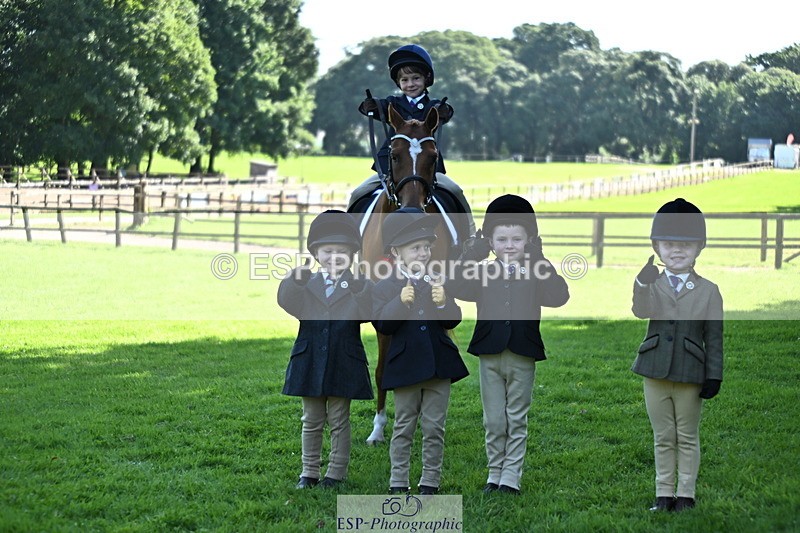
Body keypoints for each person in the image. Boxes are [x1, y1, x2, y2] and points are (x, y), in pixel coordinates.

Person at [447, 194, 570, 495]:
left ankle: (511, 477)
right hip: (490, 354)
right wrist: (471, 254)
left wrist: (540, 259)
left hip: (522, 354)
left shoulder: (536, 272)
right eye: (501, 239)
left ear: (529, 240)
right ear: (489, 242)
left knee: (516, 417)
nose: (510, 245)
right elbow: (453, 285)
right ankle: (494, 474)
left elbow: (559, 297)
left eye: (517, 239)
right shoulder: (483, 271)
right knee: (494, 419)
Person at [631, 198, 723, 512]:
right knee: (662, 436)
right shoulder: (652, 284)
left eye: (686, 244)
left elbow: (714, 337)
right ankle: (662, 495)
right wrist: (642, 282)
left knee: (686, 435)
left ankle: (685, 496)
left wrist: (714, 373)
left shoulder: (709, 291)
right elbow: (641, 311)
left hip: (690, 374)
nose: (677, 251)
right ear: (657, 247)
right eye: (669, 244)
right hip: (654, 370)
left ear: (699, 248)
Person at [372, 207, 469, 495]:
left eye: (427, 247)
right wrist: (399, 302)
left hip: (439, 367)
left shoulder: (437, 279)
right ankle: (398, 481)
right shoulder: (385, 286)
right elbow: (382, 324)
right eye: (416, 248)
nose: (424, 253)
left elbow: (453, 319)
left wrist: (444, 303)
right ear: (396, 252)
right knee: (403, 427)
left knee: (434, 428)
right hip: (404, 368)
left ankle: (430, 481)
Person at [278, 210, 374, 490]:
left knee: (340, 419)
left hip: (344, 360)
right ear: (317, 254)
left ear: (352, 255)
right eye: (328, 251)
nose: (334, 257)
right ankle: (308, 472)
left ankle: (335, 473)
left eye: (341, 252)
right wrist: (294, 281)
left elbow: (369, 311)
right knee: (311, 419)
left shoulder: (359, 284)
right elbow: (288, 302)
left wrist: (358, 290)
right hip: (310, 360)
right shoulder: (306, 282)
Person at [350, 44, 473, 238]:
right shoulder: (393, 104)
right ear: (399, 83)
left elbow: (446, 111)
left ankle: (469, 238)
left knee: (455, 191)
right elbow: (373, 108)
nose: (411, 84)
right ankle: (351, 241)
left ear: (426, 79)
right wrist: (368, 106)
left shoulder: (433, 106)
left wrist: (445, 111)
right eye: (405, 80)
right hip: (392, 167)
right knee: (358, 193)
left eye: (416, 78)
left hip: (426, 168)